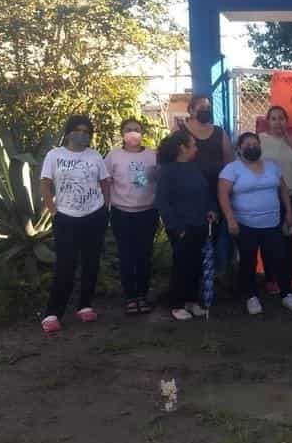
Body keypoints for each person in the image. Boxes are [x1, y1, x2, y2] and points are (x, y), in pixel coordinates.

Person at [39, 115, 111, 333]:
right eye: (79, 130)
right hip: (66, 218)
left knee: (91, 263)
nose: (84, 134)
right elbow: (45, 183)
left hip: (94, 216)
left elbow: (105, 182)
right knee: (65, 266)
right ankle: (52, 313)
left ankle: (85, 306)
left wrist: (105, 208)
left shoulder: (95, 155)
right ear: (69, 132)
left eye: (88, 131)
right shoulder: (54, 155)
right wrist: (53, 211)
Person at [218, 133, 292, 315]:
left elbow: (284, 190)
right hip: (245, 225)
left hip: (272, 223)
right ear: (239, 148)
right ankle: (251, 297)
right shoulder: (232, 169)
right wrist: (230, 218)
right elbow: (223, 194)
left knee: (279, 259)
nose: (252, 146)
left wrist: (288, 212)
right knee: (248, 261)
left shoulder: (272, 167)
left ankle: (287, 294)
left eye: (255, 143)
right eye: (248, 144)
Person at [155, 130, 217, 320]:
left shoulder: (194, 167)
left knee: (196, 264)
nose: (196, 148)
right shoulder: (167, 170)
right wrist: (176, 227)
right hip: (181, 227)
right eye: (193, 144)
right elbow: (162, 202)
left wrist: (211, 209)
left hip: (199, 224)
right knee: (182, 265)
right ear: (182, 148)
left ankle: (192, 301)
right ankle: (177, 304)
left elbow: (205, 192)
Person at [104, 119, 158, 315]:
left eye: (136, 129)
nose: (133, 133)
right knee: (126, 256)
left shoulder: (153, 156)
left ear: (142, 132)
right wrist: (106, 208)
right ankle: (130, 297)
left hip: (148, 213)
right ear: (122, 134)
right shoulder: (113, 156)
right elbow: (107, 183)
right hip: (121, 213)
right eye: (128, 130)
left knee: (144, 256)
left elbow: (159, 182)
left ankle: (142, 296)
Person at [259, 106, 292, 294]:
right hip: (269, 197)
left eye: (281, 118)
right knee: (270, 240)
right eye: (273, 118)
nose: (278, 122)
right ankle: (271, 279)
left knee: (290, 239)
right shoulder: (260, 140)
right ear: (268, 121)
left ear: (286, 121)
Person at [181, 95, 234, 270]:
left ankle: (215, 276)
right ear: (191, 110)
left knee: (217, 234)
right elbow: (171, 160)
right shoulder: (181, 131)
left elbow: (229, 161)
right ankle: (194, 278)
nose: (205, 111)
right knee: (194, 234)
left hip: (217, 191)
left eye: (208, 107)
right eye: (201, 107)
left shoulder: (219, 132)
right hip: (189, 193)